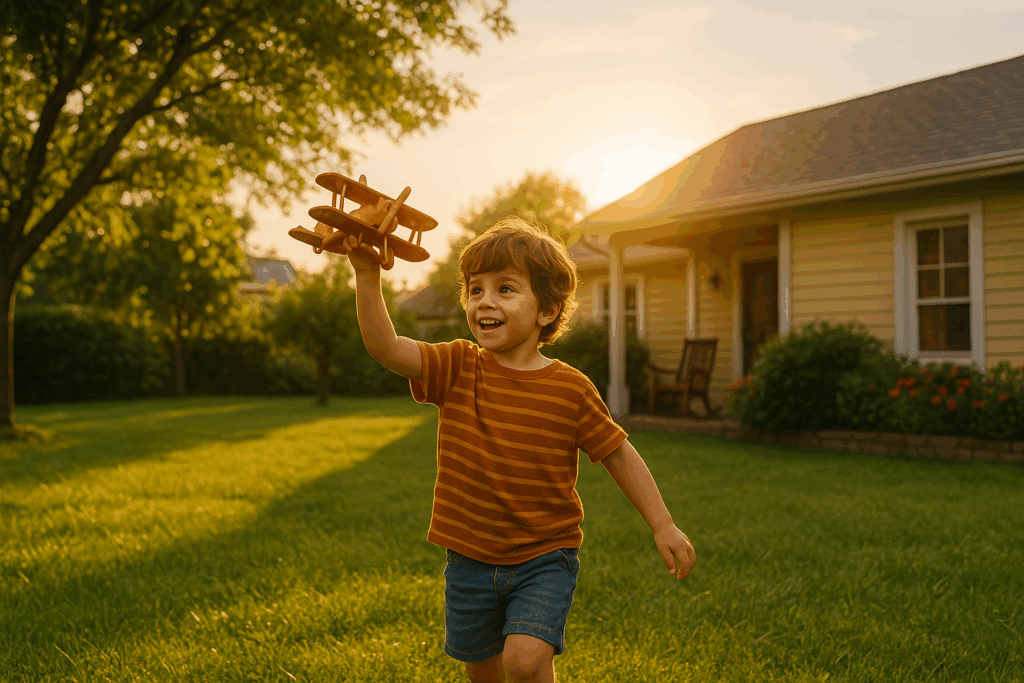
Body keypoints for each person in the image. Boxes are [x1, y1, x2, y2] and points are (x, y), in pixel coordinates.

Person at [335, 216, 695, 683]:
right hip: (468, 556)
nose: (485, 301)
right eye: (475, 289)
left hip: (544, 557)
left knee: (525, 663)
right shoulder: (458, 365)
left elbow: (618, 453)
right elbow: (385, 347)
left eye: (506, 289)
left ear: (547, 311)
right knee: (485, 673)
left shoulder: (571, 389)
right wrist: (367, 276)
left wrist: (663, 524)